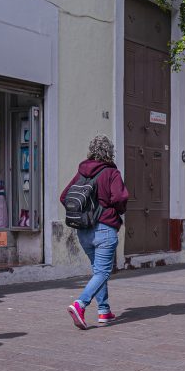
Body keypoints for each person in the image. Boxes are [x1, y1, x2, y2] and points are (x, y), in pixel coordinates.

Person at [61, 135, 129, 329]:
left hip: (83, 232)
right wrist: (118, 211)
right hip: (104, 228)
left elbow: (64, 197)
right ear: (109, 152)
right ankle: (80, 304)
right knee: (103, 271)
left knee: (98, 272)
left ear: (91, 151)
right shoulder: (111, 172)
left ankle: (104, 311)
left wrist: (84, 214)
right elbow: (119, 198)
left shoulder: (82, 173)